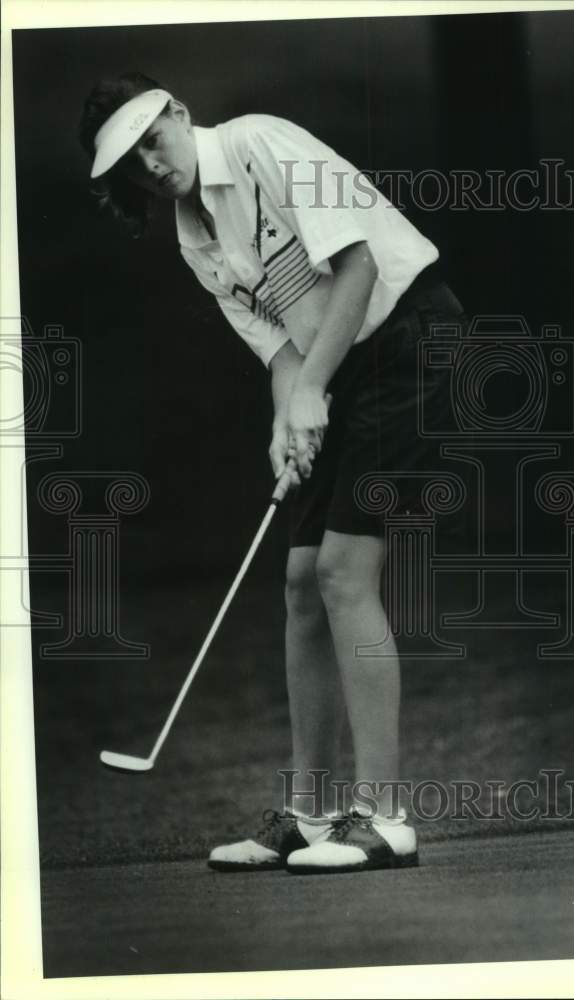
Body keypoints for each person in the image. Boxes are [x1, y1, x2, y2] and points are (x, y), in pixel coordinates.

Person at [79, 72, 465, 875]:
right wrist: (286, 422)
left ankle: (385, 817)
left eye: (153, 140)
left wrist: (314, 390)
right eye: (131, 163)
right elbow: (282, 353)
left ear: (180, 115)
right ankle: (313, 815)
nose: (152, 165)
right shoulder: (193, 234)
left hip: (408, 341)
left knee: (342, 571)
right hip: (335, 365)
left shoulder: (259, 141)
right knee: (298, 583)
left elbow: (357, 269)